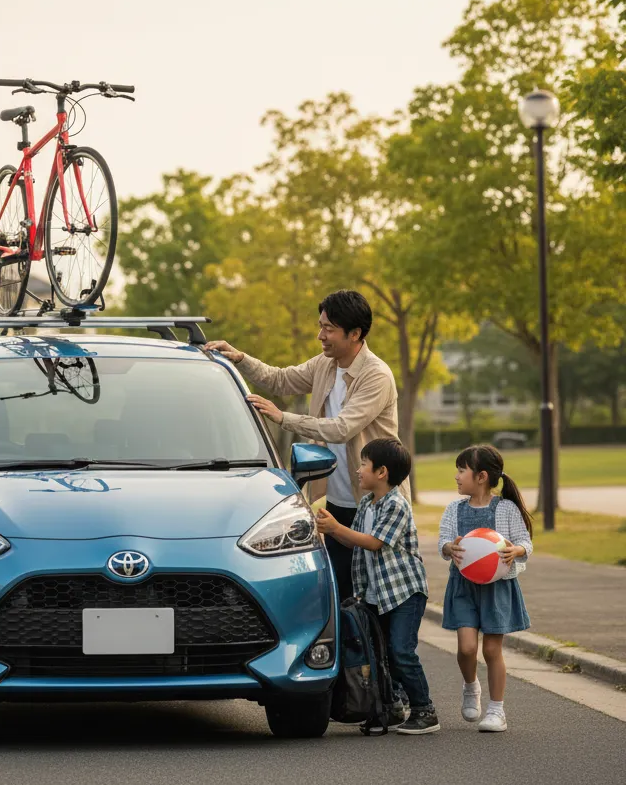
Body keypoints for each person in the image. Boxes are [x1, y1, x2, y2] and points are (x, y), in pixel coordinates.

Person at [205, 289, 403, 600]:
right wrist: (240, 358)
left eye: (329, 329)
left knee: (379, 599)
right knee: (342, 598)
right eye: (320, 325)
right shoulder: (326, 364)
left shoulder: (375, 376)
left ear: (355, 334)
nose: (320, 335)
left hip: (374, 503)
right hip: (338, 502)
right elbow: (281, 379)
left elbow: (341, 428)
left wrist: (283, 418)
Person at [316, 438, 439, 734]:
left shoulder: (395, 505)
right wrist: (329, 530)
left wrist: (336, 528)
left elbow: (374, 543)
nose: (358, 470)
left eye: (363, 464)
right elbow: (352, 541)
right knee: (380, 654)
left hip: (403, 593)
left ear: (381, 472)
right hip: (376, 594)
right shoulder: (366, 504)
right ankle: (392, 707)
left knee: (401, 651)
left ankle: (425, 710)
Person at [438, 444, 532, 733]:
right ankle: (470, 686)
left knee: (492, 650)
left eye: (461, 470)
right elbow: (443, 541)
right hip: (463, 587)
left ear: (480, 476)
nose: (456, 476)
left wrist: (516, 551)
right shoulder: (454, 509)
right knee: (467, 648)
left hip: (497, 588)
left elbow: (525, 543)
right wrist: (448, 547)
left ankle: (496, 710)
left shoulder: (506, 508)